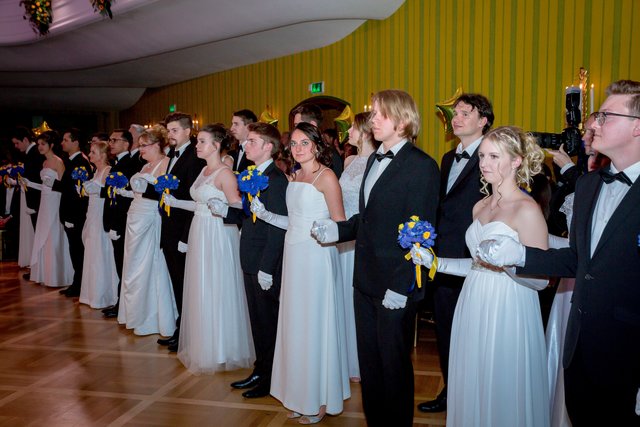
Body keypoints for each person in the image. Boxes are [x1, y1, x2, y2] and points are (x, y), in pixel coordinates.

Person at [477, 80, 640, 426]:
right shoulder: (589, 184)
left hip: (628, 351)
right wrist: (520, 255)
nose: (593, 125)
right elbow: (578, 260)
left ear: (637, 127)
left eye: (606, 116)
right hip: (580, 346)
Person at [311, 89, 440, 427]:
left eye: (381, 114)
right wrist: (336, 231)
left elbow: (422, 233)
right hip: (365, 278)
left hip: (396, 283)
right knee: (369, 364)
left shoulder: (422, 166)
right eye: (373, 114)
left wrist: (401, 286)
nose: (373, 120)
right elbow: (366, 220)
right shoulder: (371, 161)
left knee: (393, 364)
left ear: (403, 120)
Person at [414, 126, 550, 426]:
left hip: (508, 306)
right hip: (473, 300)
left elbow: (541, 280)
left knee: (502, 381)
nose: (484, 164)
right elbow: (476, 265)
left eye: (493, 156)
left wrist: (509, 262)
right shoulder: (480, 206)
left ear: (516, 161)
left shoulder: (527, 209)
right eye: (482, 156)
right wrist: (435, 262)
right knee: (474, 376)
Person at [252, 122, 349, 424]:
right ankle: (298, 394)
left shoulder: (327, 177)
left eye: (304, 142)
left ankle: (320, 400)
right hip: (294, 257)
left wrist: (323, 232)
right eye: (293, 143)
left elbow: (341, 224)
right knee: (295, 326)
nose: (298, 149)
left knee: (314, 325)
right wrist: (266, 214)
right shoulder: (293, 176)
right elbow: (292, 222)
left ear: (317, 145)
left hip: (317, 257)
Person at [418, 93, 494, 413]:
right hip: (443, 257)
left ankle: (478, 397)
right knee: (447, 330)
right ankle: (451, 392)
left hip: (477, 257)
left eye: (465, 113)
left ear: (484, 121)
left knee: (476, 332)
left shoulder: (492, 156)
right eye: (456, 113)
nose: (456, 118)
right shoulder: (448, 158)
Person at [163, 123, 254, 374]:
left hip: (218, 234)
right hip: (199, 230)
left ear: (216, 145)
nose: (197, 145)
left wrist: (223, 209)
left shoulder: (225, 174)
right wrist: (177, 203)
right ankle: (205, 345)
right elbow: (200, 205)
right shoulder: (203, 170)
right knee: (201, 286)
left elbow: (240, 209)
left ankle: (223, 348)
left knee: (218, 286)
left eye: (202, 141)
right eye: (198, 141)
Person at [223, 122, 288, 398]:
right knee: (257, 321)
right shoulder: (253, 174)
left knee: (268, 322)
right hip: (250, 255)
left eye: (252, 141)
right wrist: (226, 210)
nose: (245, 145)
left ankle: (271, 378)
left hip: (264, 261)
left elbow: (277, 227)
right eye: (246, 141)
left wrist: (267, 268)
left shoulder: (276, 180)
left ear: (268, 147)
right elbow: (251, 215)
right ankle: (260, 369)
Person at [116, 125, 178, 337]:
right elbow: (139, 193)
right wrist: (125, 193)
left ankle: (152, 318)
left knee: (148, 266)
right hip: (134, 218)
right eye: (140, 145)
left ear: (158, 145)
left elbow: (164, 192)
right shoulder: (143, 166)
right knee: (132, 266)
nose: (140, 149)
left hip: (150, 219)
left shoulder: (166, 163)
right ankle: (135, 314)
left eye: (145, 145)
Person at [156, 112, 206, 351]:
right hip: (169, 227)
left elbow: (195, 198)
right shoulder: (173, 155)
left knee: (185, 284)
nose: (170, 134)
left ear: (188, 131)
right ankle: (181, 328)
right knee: (177, 283)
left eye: (175, 130)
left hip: (182, 231)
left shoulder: (194, 157)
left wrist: (185, 237)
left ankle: (187, 333)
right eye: (169, 131)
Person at [337, 111, 378, 383]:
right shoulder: (349, 160)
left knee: (358, 300)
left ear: (364, 131)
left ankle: (361, 362)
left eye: (352, 127)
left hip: (362, 240)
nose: (348, 132)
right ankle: (343, 357)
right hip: (343, 240)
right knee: (341, 298)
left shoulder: (377, 162)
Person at [24, 131, 74, 287]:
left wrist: (51, 185)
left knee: (53, 235)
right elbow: (44, 187)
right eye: (38, 144)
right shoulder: (44, 163)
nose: (40, 147)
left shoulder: (58, 162)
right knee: (43, 236)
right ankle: (46, 274)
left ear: (51, 145)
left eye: (43, 144)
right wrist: (29, 183)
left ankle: (57, 275)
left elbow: (64, 186)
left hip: (55, 201)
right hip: (44, 202)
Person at [46, 128, 92, 298]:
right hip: (70, 213)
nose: (62, 143)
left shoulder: (80, 162)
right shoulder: (72, 160)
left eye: (66, 140)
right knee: (74, 250)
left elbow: (77, 192)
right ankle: (76, 283)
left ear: (76, 142)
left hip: (75, 214)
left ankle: (79, 285)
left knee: (77, 250)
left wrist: (54, 184)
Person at [102, 129, 137, 318]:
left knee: (123, 264)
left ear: (126, 143)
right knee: (119, 263)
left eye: (115, 140)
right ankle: (120, 302)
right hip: (115, 220)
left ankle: (123, 305)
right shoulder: (117, 163)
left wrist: (116, 224)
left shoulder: (130, 164)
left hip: (122, 221)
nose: (111, 143)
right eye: (110, 140)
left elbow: (124, 200)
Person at [79, 141, 119, 309]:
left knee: (100, 253)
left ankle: (103, 296)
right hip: (91, 214)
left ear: (103, 155)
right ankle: (91, 293)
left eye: (93, 152)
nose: (90, 155)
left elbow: (109, 195)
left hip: (101, 215)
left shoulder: (107, 171)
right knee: (91, 252)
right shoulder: (95, 171)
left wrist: (94, 190)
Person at [11, 126, 44, 269]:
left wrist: (20, 181)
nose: (16, 146)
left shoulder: (34, 153)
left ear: (25, 139)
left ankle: (40, 266)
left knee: (38, 233)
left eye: (17, 143)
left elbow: (36, 177)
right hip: (33, 199)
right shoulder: (30, 153)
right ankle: (38, 266)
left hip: (37, 200)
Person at [292, 103, 343, 178]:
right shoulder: (298, 150)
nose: (295, 129)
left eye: (298, 125)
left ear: (313, 125)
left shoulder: (331, 155)